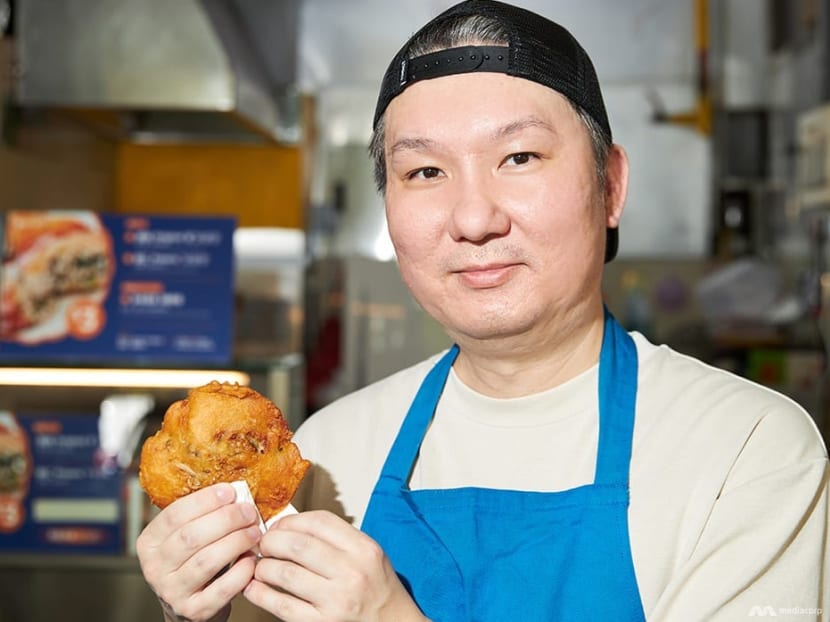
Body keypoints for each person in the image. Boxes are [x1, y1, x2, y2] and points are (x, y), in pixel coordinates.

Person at [136, 1, 830, 620]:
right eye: (425, 172)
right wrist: (202, 610)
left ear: (610, 185)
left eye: (520, 156)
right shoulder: (330, 452)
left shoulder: (747, 451)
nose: (472, 218)